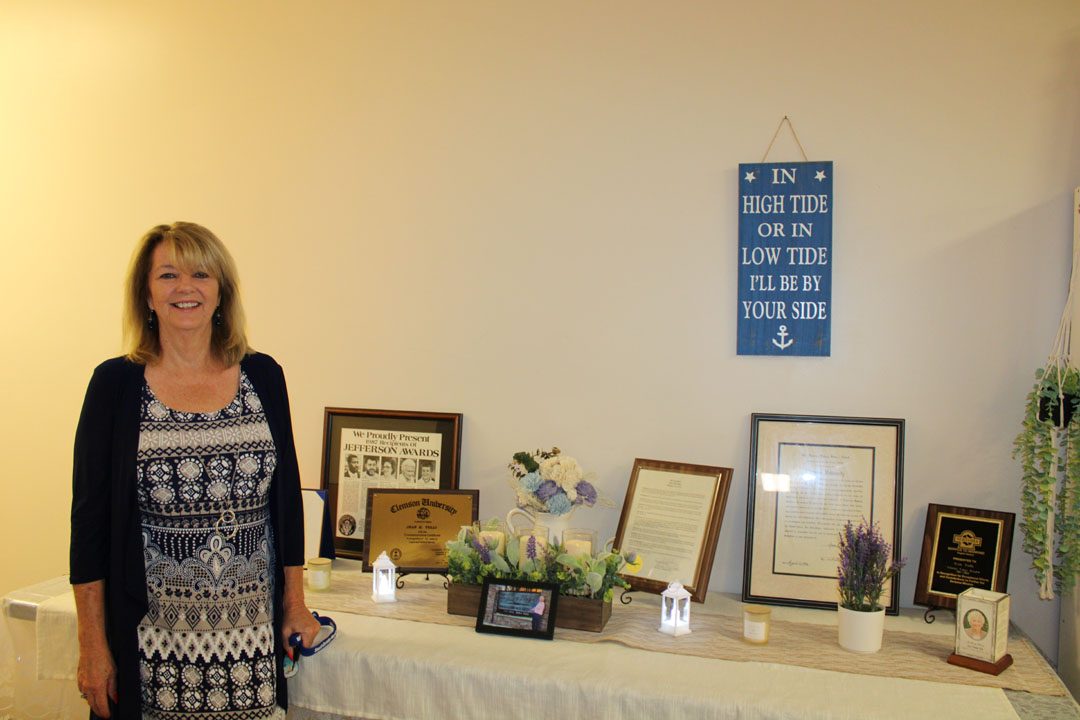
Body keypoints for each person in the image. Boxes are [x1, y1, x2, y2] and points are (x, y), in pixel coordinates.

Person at [70, 222, 321, 719]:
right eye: (167, 275)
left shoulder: (263, 376)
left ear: (222, 291)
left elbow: (287, 505)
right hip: (150, 650)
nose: (185, 288)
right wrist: (92, 646)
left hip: (250, 644)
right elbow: (89, 528)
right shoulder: (114, 386)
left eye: (201, 274)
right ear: (146, 294)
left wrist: (294, 602)